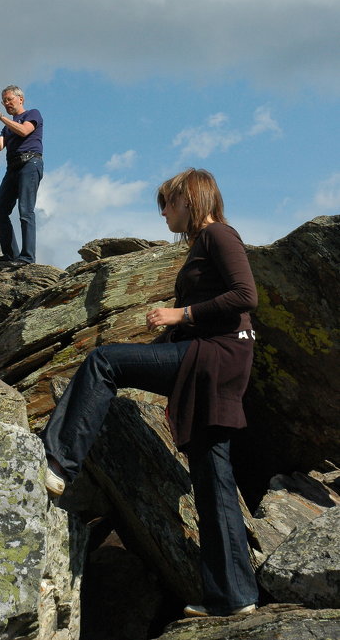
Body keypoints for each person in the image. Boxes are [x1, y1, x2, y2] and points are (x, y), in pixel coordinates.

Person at [41, 168, 259, 618]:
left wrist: (180, 314)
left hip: (213, 360)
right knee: (213, 478)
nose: (162, 213)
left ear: (190, 199)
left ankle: (59, 461)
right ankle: (235, 596)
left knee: (105, 361)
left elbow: (246, 296)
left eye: (168, 203)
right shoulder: (204, 243)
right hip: (213, 361)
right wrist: (168, 336)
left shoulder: (219, 235)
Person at [0, 86, 43, 266]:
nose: (7, 103)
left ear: (20, 99)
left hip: (30, 163)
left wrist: (1, 117)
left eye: (9, 99)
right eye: (4, 101)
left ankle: (27, 258)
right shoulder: (8, 127)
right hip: (12, 168)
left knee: (25, 211)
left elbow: (24, 131)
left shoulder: (33, 113)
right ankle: (11, 255)